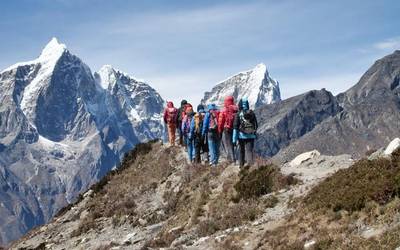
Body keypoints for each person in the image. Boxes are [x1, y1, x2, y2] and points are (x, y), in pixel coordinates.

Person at [233, 97, 258, 168]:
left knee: (241, 151)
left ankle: (241, 166)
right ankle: (251, 167)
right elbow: (256, 125)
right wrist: (254, 133)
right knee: (249, 151)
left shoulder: (238, 114)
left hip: (241, 136)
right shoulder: (251, 113)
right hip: (251, 135)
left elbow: (235, 127)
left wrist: (234, 139)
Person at [218, 96, 238, 164]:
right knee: (234, 143)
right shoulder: (236, 108)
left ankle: (232, 160)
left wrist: (220, 130)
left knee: (229, 144)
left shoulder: (224, 110)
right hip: (236, 128)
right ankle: (236, 158)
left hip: (227, 129)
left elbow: (221, 121)